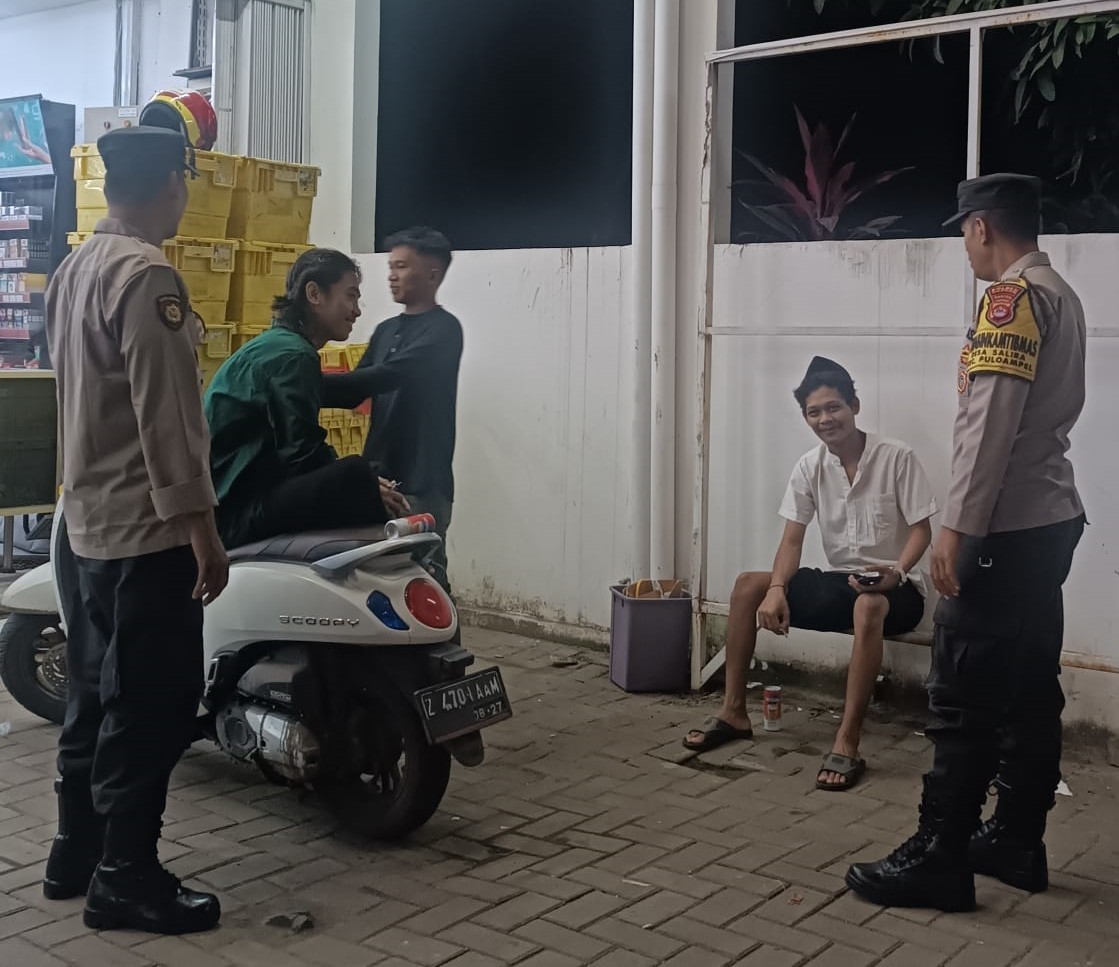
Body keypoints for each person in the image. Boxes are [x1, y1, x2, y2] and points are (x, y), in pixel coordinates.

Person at [846, 174, 1088, 911]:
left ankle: (939, 855)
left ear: (981, 226)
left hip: (1001, 530)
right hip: (1046, 523)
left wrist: (958, 527)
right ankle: (1014, 840)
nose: (963, 245)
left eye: (963, 232)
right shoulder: (1061, 293)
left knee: (961, 695)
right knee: (1028, 688)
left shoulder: (1011, 300)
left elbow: (988, 427)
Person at [43, 126, 228, 935]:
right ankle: (126, 876)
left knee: (93, 691)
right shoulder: (148, 274)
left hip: (86, 523)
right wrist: (202, 528)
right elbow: (168, 418)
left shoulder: (76, 266)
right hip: (146, 533)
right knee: (151, 701)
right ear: (172, 186)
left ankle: (74, 850)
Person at [683, 357, 937, 791]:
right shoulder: (809, 466)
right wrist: (776, 589)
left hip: (898, 590)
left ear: (854, 405)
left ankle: (847, 740)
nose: (824, 419)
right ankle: (733, 712)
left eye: (833, 407)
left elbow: (922, 531)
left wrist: (896, 571)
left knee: (868, 605)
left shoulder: (896, 457)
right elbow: (792, 540)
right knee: (748, 586)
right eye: (813, 412)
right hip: (842, 582)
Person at [204, 248, 409, 549]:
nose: (357, 311)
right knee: (355, 473)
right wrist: (363, 485)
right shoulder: (293, 356)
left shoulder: (277, 346)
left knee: (364, 475)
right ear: (314, 294)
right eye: (350, 296)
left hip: (240, 498)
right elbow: (302, 453)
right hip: (235, 513)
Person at [321, 227, 462, 593]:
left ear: (432, 274)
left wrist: (303, 382)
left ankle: (447, 631)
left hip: (422, 478)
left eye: (401, 266)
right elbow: (354, 390)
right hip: (380, 477)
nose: (392, 275)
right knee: (381, 576)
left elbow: (388, 375)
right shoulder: (385, 330)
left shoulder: (444, 331)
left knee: (426, 577)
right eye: (390, 267)